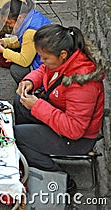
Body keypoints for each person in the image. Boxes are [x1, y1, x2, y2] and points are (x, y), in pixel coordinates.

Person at [14, 24, 105, 177]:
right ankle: (32, 149)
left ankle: (56, 175)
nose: (42, 61)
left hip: (77, 139)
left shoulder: (82, 83)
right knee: (20, 101)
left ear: (62, 54)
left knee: (17, 137)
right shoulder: (65, 59)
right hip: (59, 113)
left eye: (45, 58)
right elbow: (44, 70)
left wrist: (37, 106)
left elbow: (74, 129)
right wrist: (30, 81)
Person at [0, 0, 51, 82]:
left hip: (46, 67)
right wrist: (4, 42)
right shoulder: (32, 15)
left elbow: (24, 61)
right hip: (45, 56)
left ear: (20, 17)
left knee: (17, 70)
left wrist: (3, 51)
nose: (10, 26)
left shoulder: (30, 32)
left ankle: (31, 88)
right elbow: (22, 40)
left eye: (10, 22)